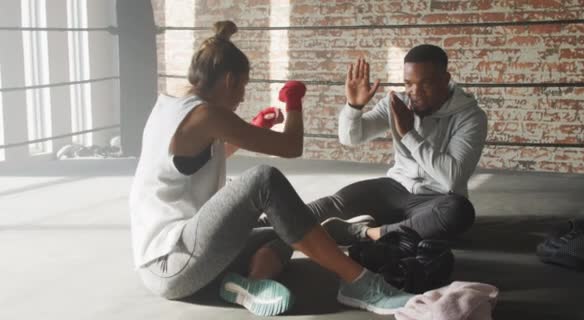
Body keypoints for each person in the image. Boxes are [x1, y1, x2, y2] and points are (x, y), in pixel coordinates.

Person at [129, 20, 411, 317]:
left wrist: (256, 127)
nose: (242, 97)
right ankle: (361, 283)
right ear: (229, 80)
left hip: (178, 257)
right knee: (263, 180)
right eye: (243, 87)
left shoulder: (171, 106)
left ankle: (250, 284)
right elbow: (291, 146)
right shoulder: (207, 114)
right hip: (172, 263)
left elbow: (198, 161)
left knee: (286, 228)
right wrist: (294, 102)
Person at [308, 44, 488, 246]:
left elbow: (452, 178)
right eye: (408, 83)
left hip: (436, 198)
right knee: (338, 201)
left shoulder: (471, 117)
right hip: (395, 188)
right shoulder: (397, 103)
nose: (415, 92)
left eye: (425, 84)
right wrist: (354, 107)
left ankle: (363, 232)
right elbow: (351, 138)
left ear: (445, 80)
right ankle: (271, 221)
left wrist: (409, 134)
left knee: (458, 212)